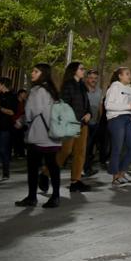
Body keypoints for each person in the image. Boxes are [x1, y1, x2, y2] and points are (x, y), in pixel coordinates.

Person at [16, 63, 63, 208]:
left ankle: (32, 197)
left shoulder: (37, 90)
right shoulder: (52, 91)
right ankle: (55, 196)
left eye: (36, 71)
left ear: (43, 74)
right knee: (53, 165)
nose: (32, 73)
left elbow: (31, 113)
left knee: (33, 166)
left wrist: (21, 121)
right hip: (53, 134)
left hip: (39, 134)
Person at [56, 62, 91, 192]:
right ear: (74, 71)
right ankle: (46, 173)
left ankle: (75, 181)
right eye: (81, 69)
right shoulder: (68, 85)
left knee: (80, 153)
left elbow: (86, 104)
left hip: (83, 124)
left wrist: (88, 113)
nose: (84, 71)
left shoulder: (82, 85)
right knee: (66, 151)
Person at [104, 67, 131, 187]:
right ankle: (115, 177)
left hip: (127, 118)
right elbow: (108, 105)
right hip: (116, 119)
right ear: (120, 76)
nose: (130, 76)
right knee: (117, 148)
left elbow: (128, 105)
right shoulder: (114, 87)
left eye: (129, 74)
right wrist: (129, 106)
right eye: (127, 74)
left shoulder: (128, 89)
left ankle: (122, 173)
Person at [82, 71, 103, 176]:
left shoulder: (99, 91)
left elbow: (100, 107)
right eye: (91, 78)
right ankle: (82, 168)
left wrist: (100, 120)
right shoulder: (83, 91)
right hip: (85, 123)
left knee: (91, 148)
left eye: (95, 78)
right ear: (87, 79)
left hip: (95, 123)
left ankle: (87, 168)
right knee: (85, 147)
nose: (93, 80)